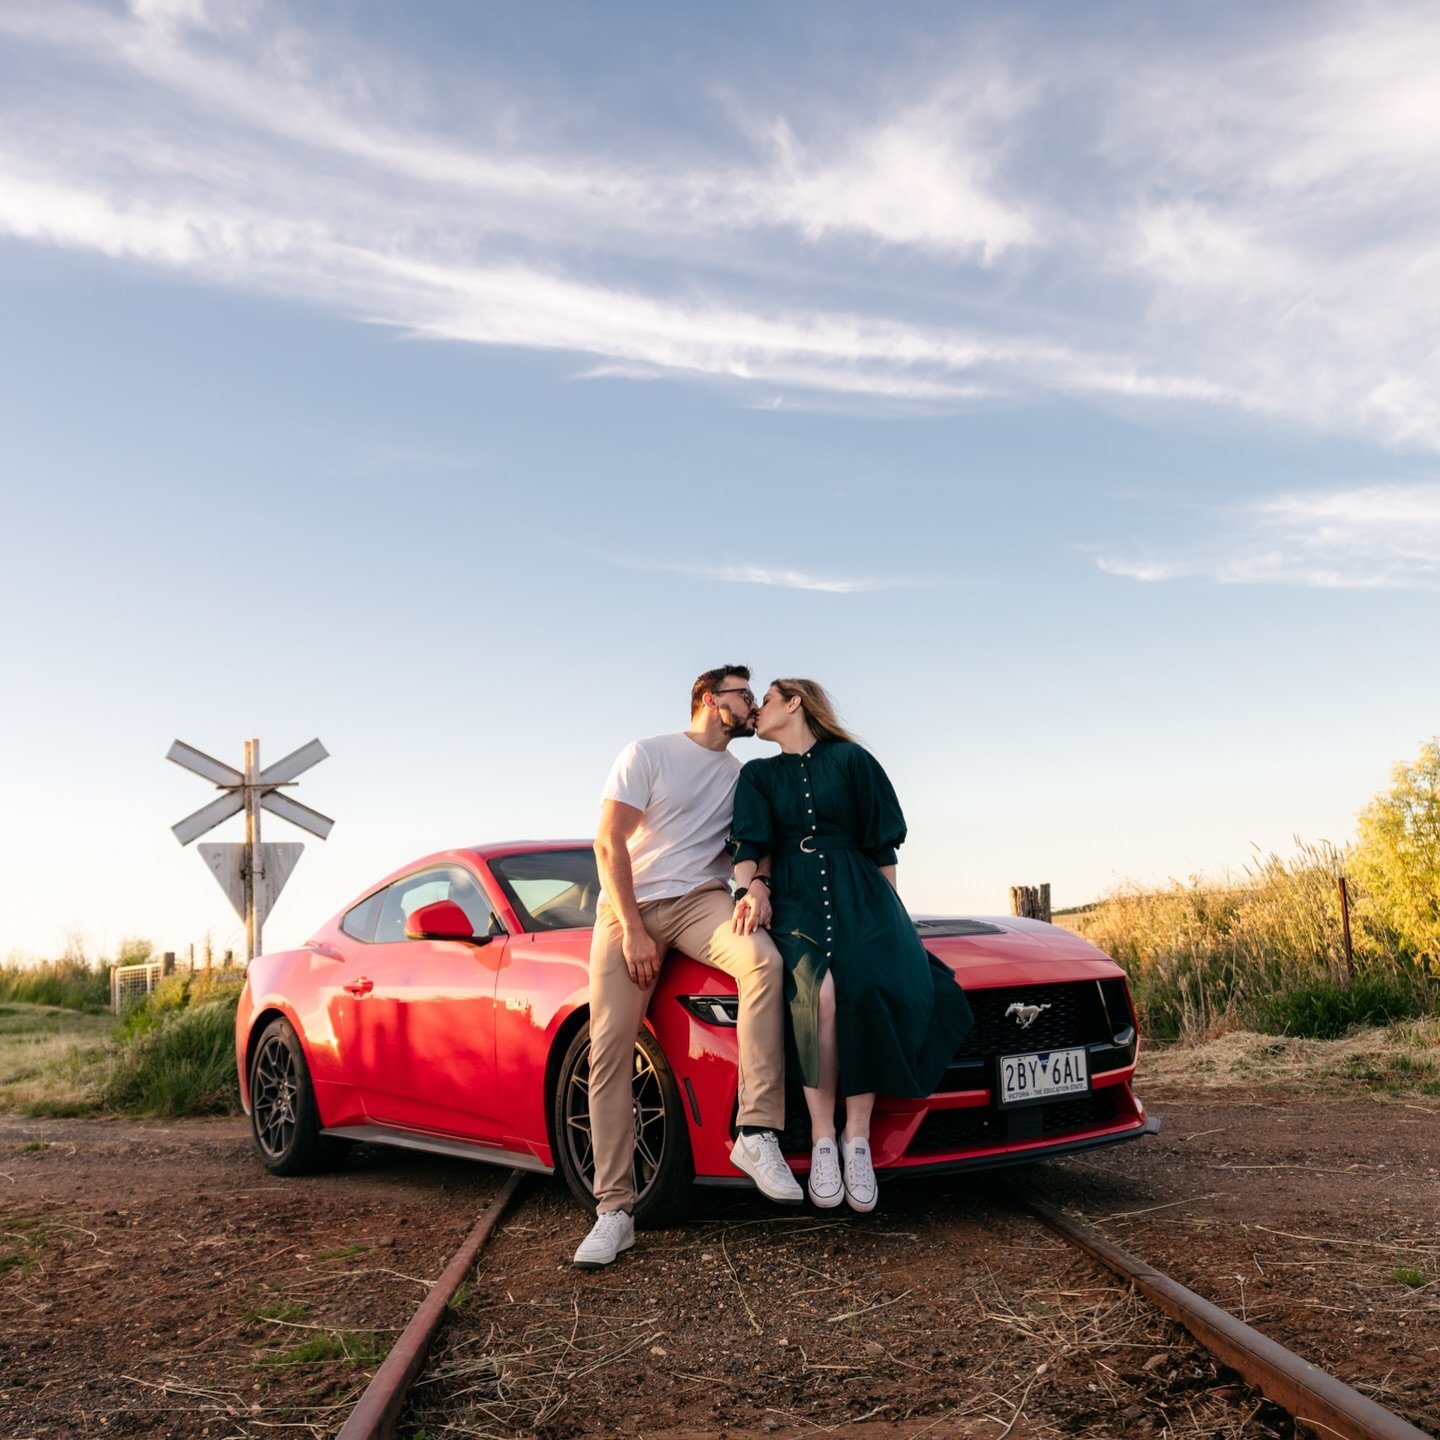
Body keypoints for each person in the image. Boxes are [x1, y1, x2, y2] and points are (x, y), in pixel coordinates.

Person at [574, 665, 804, 1270]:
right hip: (632, 907)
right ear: (709, 699)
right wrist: (630, 929)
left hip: (703, 902)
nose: (753, 706)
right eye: (743, 695)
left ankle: (756, 1133)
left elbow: (752, 847)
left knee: (763, 961)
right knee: (609, 1051)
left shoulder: (738, 775)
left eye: (757, 697)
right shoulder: (647, 753)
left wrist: (760, 888)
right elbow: (608, 843)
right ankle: (615, 1212)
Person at [728, 679, 974, 1213]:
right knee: (819, 992)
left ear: (793, 702)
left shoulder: (853, 760)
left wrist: (891, 917)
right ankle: (822, 1139)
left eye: (765, 700)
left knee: (865, 982)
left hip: (862, 892)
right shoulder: (757, 774)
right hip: (793, 895)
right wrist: (750, 889)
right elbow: (749, 845)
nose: (756, 711)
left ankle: (855, 1140)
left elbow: (882, 844)